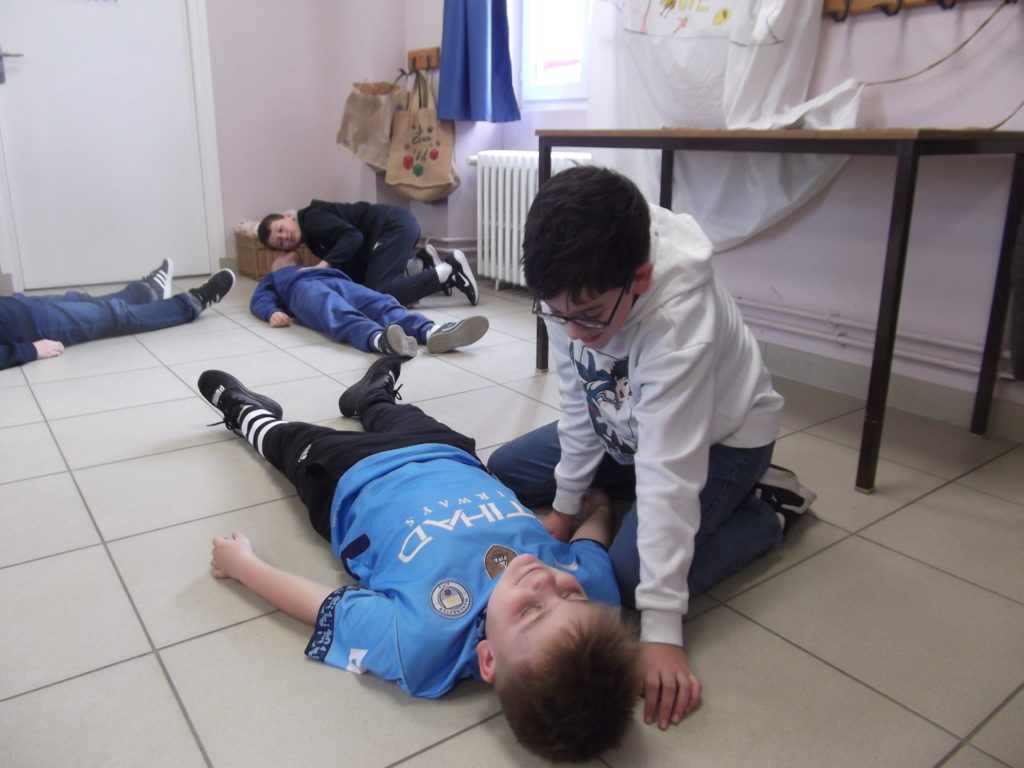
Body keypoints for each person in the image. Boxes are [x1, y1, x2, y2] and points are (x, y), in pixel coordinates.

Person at [486, 166, 817, 731]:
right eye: (556, 313)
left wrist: (663, 629)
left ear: (639, 278)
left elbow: (669, 471)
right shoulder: (576, 293)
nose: (572, 332)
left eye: (589, 316)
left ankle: (766, 510)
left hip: (721, 443)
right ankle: (626, 498)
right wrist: (564, 509)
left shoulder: (679, 322)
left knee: (628, 578)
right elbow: (579, 398)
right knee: (508, 468)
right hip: (631, 429)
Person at [198, 357, 641, 762]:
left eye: (529, 610)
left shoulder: (423, 643)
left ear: (488, 659)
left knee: (287, 442)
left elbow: (323, 605)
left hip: (351, 479)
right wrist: (601, 512)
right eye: (570, 595)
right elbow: (591, 550)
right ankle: (371, 397)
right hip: (447, 454)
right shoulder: (595, 600)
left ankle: (247, 412)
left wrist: (244, 567)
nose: (546, 581)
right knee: (395, 413)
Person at [1, 259, 235, 370]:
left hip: (16, 307)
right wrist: (30, 350)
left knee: (82, 300)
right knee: (112, 316)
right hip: (28, 327)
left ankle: (146, 292)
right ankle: (192, 303)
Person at [250, 251, 488, 357]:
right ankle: (379, 339)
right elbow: (260, 297)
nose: (289, 259)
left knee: (379, 301)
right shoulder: (276, 277)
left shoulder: (317, 268)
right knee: (333, 308)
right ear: (275, 267)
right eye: (283, 258)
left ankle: (430, 331)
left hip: (338, 280)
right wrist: (271, 311)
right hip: (300, 290)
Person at [258, 201, 479, 307]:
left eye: (281, 229)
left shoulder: (312, 219)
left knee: (379, 292)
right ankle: (421, 265)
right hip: (395, 228)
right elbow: (352, 262)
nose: (285, 236)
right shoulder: (312, 238)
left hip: (393, 228)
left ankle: (450, 271)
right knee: (370, 287)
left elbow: (353, 237)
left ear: (288, 217)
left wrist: (322, 266)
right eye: (280, 242)